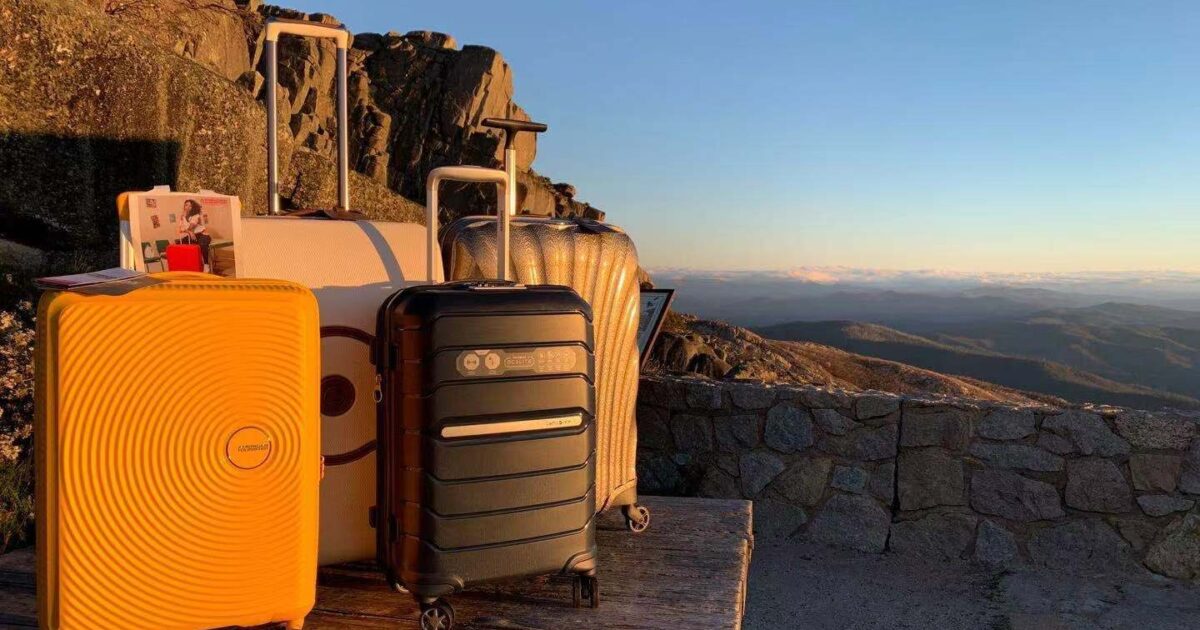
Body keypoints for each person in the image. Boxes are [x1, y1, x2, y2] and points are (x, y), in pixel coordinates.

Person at [177, 199, 212, 268]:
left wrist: (187, 230)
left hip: (202, 235)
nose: (188, 207)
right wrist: (189, 232)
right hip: (192, 236)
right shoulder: (182, 217)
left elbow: (190, 227)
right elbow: (180, 229)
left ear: (193, 208)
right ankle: (188, 264)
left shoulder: (196, 216)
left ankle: (206, 264)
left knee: (202, 245)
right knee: (179, 244)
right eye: (186, 205)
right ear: (184, 206)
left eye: (190, 206)